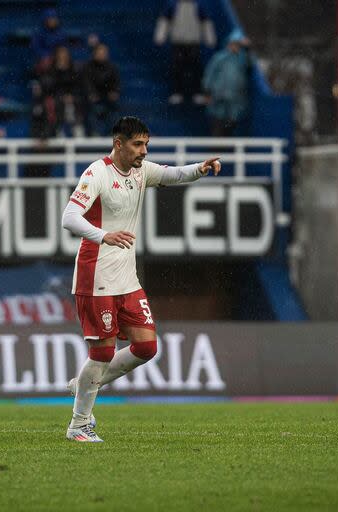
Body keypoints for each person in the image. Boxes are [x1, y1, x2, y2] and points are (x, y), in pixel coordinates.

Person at [60, 116, 221, 442]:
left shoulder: (141, 172)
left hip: (127, 279)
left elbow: (173, 174)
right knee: (102, 353)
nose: (144, 151)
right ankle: (78, 425)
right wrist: (103, 236)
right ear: (118, 143)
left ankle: (85, 383)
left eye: (146, 144)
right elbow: (69, 217)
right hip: (97, 276)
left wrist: (200, 169)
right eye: (137, 144)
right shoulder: (97, 173)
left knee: (146, 346)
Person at [153, 0, 216, 105]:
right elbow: (164, 21)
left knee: (195, 68)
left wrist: (210, 38)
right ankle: (177, 92)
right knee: (177, 67)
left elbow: (206, 23)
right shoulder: (173, 5)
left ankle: (197, 92)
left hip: (194, 42)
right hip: (178, 43)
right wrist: (160, 36)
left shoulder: (198, 6)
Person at [202, 30, 255, 137]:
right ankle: (217, 152)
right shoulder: (220, 58)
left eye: (237, 44)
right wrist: (207, 92)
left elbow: (250, 67)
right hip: (218, 99)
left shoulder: (242, 59)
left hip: (235, 101)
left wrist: (248, 49)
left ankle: (228, 151)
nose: (234, 47)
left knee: (231, 129)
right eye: (233, 43)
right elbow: (210, 74)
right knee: (217, 128)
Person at [81, 43, 120, 136]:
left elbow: (116, 84)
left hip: (108, 100)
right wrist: (91, 94)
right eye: (100, 52)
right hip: (93, 100)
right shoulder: (87, 67)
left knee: (113, 113)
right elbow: (86, 84)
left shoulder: (112, 67)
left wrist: (115, 92)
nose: (102, 55)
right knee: (93, 111)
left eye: (104, 52)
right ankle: (94, 134)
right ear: (94, 53)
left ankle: (112, 135)